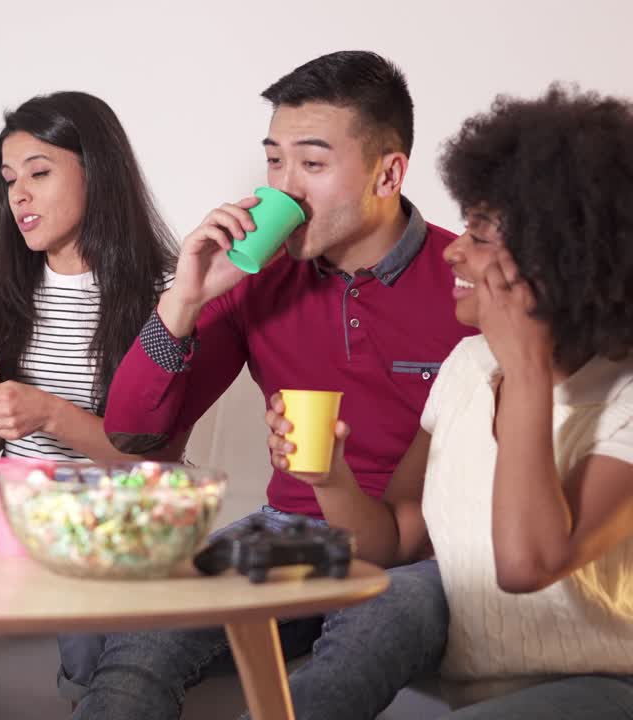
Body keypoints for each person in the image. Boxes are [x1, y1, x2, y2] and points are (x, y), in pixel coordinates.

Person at [77, 51, 475, 720]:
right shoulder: (257, 278)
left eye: (312, 165)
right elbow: (133, 433)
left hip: (428, 548)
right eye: (274, 161)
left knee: (368, 636)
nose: (284, 189)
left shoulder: (467, 278)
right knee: (144, 637)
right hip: (289, 532)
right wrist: (184, 299)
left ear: (388, 173)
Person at [266, 84, 633, 719]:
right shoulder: (469, 367)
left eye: (481, 234)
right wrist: (328, 475)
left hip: (607, 685)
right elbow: (394, 542)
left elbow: (527, 565)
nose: (453, 250)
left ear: (562, 253)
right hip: (482, 693)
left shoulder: (621, 396)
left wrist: (526, 367)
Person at [0, 90, 178, 704]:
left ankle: (93, 702)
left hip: (111, 503)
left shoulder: (167, 290)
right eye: (8, 181)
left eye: (39, 173)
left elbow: (156, 463)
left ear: (97, 171)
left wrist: (48, 412)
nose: (18, 196)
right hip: (15, 494)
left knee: (90, 559)